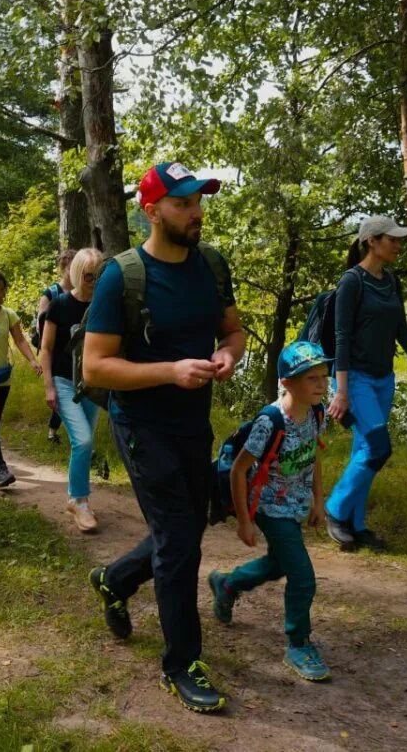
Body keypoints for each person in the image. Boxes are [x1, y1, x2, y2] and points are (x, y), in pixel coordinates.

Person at [83, 162, 244, 713]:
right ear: (152, 211)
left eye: (199, 201)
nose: (197, 212)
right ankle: (181, 664)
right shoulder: (122, 277)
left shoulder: (213, 267)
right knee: (180, 540)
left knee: (188, 525)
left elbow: (234, 331)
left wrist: (227, 355)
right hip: (141, 424)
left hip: (192, 423)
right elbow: (96, 368)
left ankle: (115, 579)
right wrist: (169, 371)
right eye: (184, 203)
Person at [208, 341, 334, 683]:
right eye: (312, 378)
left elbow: (313, 456)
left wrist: (318, 501)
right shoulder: (270, 421)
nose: (322, 384)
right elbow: (238, 470)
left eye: (325, 377)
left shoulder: (316, 413)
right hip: (267, 507)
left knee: (279, 563)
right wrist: (244, 521)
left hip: (294, 504)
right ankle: (298, 643)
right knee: (303, 577)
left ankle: (228, 584)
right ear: (287, 382)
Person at [324, 215, 407, 551]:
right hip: (357, 379)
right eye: (392, 239)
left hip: (383, 380)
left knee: (363, 450)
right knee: (379, 448)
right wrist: (342, 391)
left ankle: (356, 524)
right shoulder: (352, 282)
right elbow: (341, 337)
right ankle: (335, 509)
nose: (399, 244)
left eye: (399, 239)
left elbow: (403, 333)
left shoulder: (390, 281)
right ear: (373, 242)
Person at [39, 248, 104, 531]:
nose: (93, 281)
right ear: (77, 273)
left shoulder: (105, 304)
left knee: (83, 444)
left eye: (99, 275)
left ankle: (77, 499)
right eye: (89, 276)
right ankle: (79, 501)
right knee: (83, 440)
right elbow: (46, 348)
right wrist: (49, 386)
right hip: (65, 383)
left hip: (94, 385)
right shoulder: (60, 305)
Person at [0, 267, 42, 489]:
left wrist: (33, 360)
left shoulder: (8, 314)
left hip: (2, 378)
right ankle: (0, 467)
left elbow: (20, 341)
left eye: (2, 290)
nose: (0, 295)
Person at [36, 249, 76, 444]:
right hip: (54, 352)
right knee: (61, 393)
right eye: (71, 267)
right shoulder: (51, 293)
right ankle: (55, 432)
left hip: (74, 353)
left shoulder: (83, 291)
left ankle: (55, 431)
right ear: (64, 268)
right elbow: (41, 324)